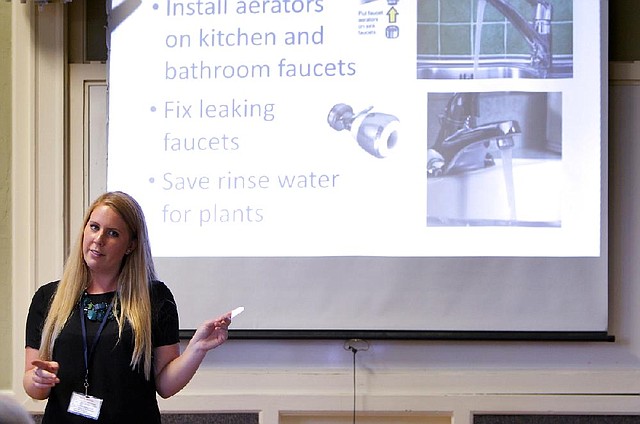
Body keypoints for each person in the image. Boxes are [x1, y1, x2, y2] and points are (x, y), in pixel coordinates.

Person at [23, 191, 232, 423]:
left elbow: (165, 386)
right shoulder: (48, 298)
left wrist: (197, 348)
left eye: (112, 233)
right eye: (94, 227)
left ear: (130, 245)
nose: (99, 239)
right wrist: (37, 379)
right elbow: (34, 388)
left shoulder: (154, 299)